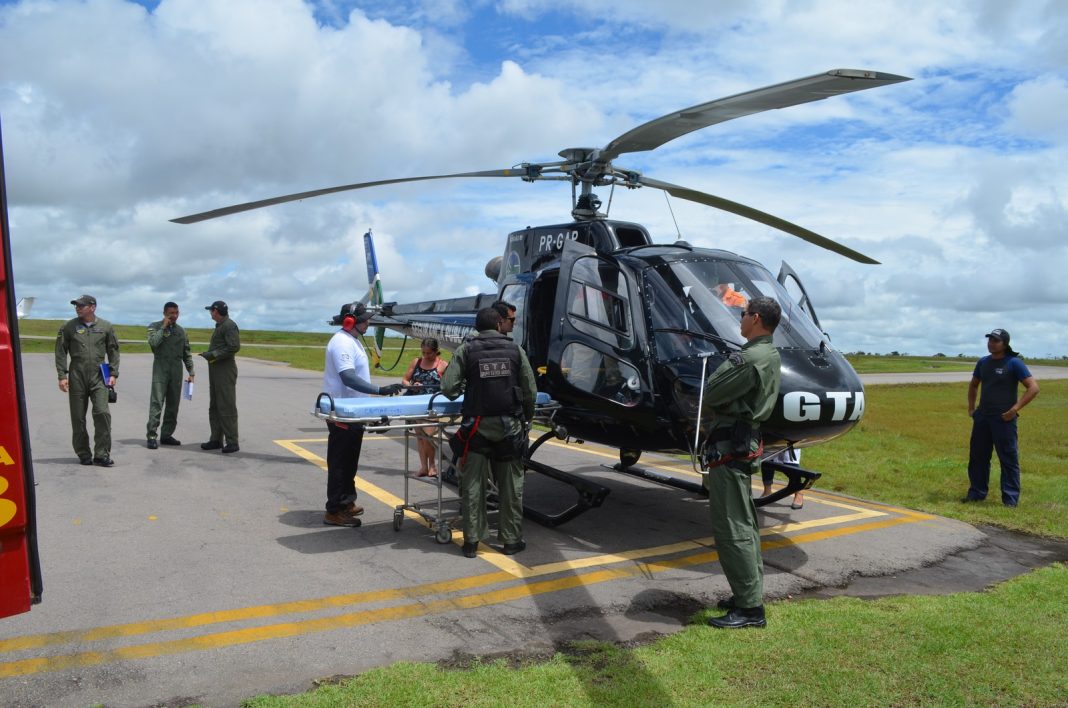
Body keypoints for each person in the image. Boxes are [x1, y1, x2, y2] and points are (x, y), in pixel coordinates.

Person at [701, 296, 782, 629]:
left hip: (730, 446)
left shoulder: (751, 359)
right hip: (741, 443)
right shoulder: (769, 354)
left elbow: (712, 391)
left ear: (757, 318)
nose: (740, 318)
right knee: (745, 524)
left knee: (732, 526)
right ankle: (747, 595)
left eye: (743, 313)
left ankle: (750, 609)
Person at [440, 307, 537, 558]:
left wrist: (468, 384)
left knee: (473, 486)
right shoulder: (516, 350)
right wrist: (527, 418)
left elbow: (448, 388)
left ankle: (471, 542)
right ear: (498, 324)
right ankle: (511, 540)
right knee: (511, 486)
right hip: (510, 428)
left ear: (477, 327)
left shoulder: (466, 350)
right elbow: (530, 391)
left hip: (476, 429)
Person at [321, 302, 404, 527]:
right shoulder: (341, 343)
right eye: (365, 319)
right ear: (350, 321)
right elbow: (348, 377)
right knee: (340, 463)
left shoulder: (352, 341)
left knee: (350, 462)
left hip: (354, 412)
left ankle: (347, 501)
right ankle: (334, 510)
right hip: (343, 414)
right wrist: (380, 391)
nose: (368, 322)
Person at [965, 329, 1039, 507]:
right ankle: (976, 493)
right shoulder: (983, 362)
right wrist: (972, 409)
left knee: (1008, 459)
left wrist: (1014, 409)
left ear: (1004, 344)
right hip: (983, 417)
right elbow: (974, 385)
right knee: (978, 457)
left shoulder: (1014, 363)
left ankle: (1010, 499)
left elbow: (1033, 388)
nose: (991, 343)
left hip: (1004, 420)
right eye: (989, 340)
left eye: (995, 341)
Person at [55, 294, 120, 466]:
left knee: (102, 413)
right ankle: (83, 453)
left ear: (92, 307)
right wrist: (62, 375)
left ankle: (101, 454)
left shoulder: (106, 327)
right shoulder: (69, 327)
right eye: (76, 305)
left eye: (81, 305)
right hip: (77, 375)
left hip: (99, 375)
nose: (78, 308)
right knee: (78, 417)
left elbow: (113, 350)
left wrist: (113, 374)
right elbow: (61, 351)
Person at [145, 302, 195, 449]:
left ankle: (166, 435)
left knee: (173, 405)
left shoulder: (181, 331)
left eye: (176, 313)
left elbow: (187, 353)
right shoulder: (154, 327)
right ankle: (152, 435)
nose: (174, 316)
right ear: (164, 313)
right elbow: (153, 343)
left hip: (176, 372)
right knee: (157, 404)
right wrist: (163, 327)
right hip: (160, 371)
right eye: (171, 313)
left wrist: (191, 372)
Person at [401, 338, 449, 477]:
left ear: (436, 351)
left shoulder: (443, 365)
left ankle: (432, 465)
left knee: (429, 437)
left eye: (429, 353)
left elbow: (449, 386)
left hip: (432, 405)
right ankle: (423, 467)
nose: (426, 356)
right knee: (420, 437)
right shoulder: (416, 362)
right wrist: (410, 385)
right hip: (416, 403)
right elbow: (404, 379)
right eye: (423, 352)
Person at [199, 300, 241, 453]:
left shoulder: (229, 325)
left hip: (225, 370)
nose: (210, 313)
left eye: (211, 310)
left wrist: (213, 354)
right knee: (215, 405)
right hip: (216, 370)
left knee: (226, 405)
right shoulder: (221, 326)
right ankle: (216, 439)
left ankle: (232, 441)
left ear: (216, 311)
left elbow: (234, 347)